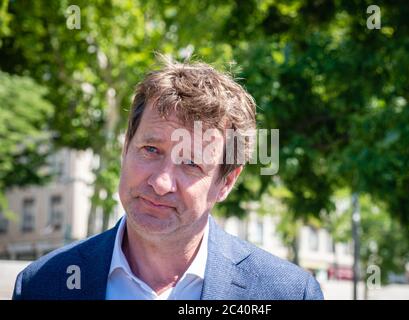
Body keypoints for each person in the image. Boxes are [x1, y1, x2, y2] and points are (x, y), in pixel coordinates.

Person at [12, 56, 323, 300]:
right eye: (150, 149)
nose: (160, 183)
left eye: (190, 163)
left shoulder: (288, 294)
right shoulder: (43, 284)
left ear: (226, 183)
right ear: (125, 149)